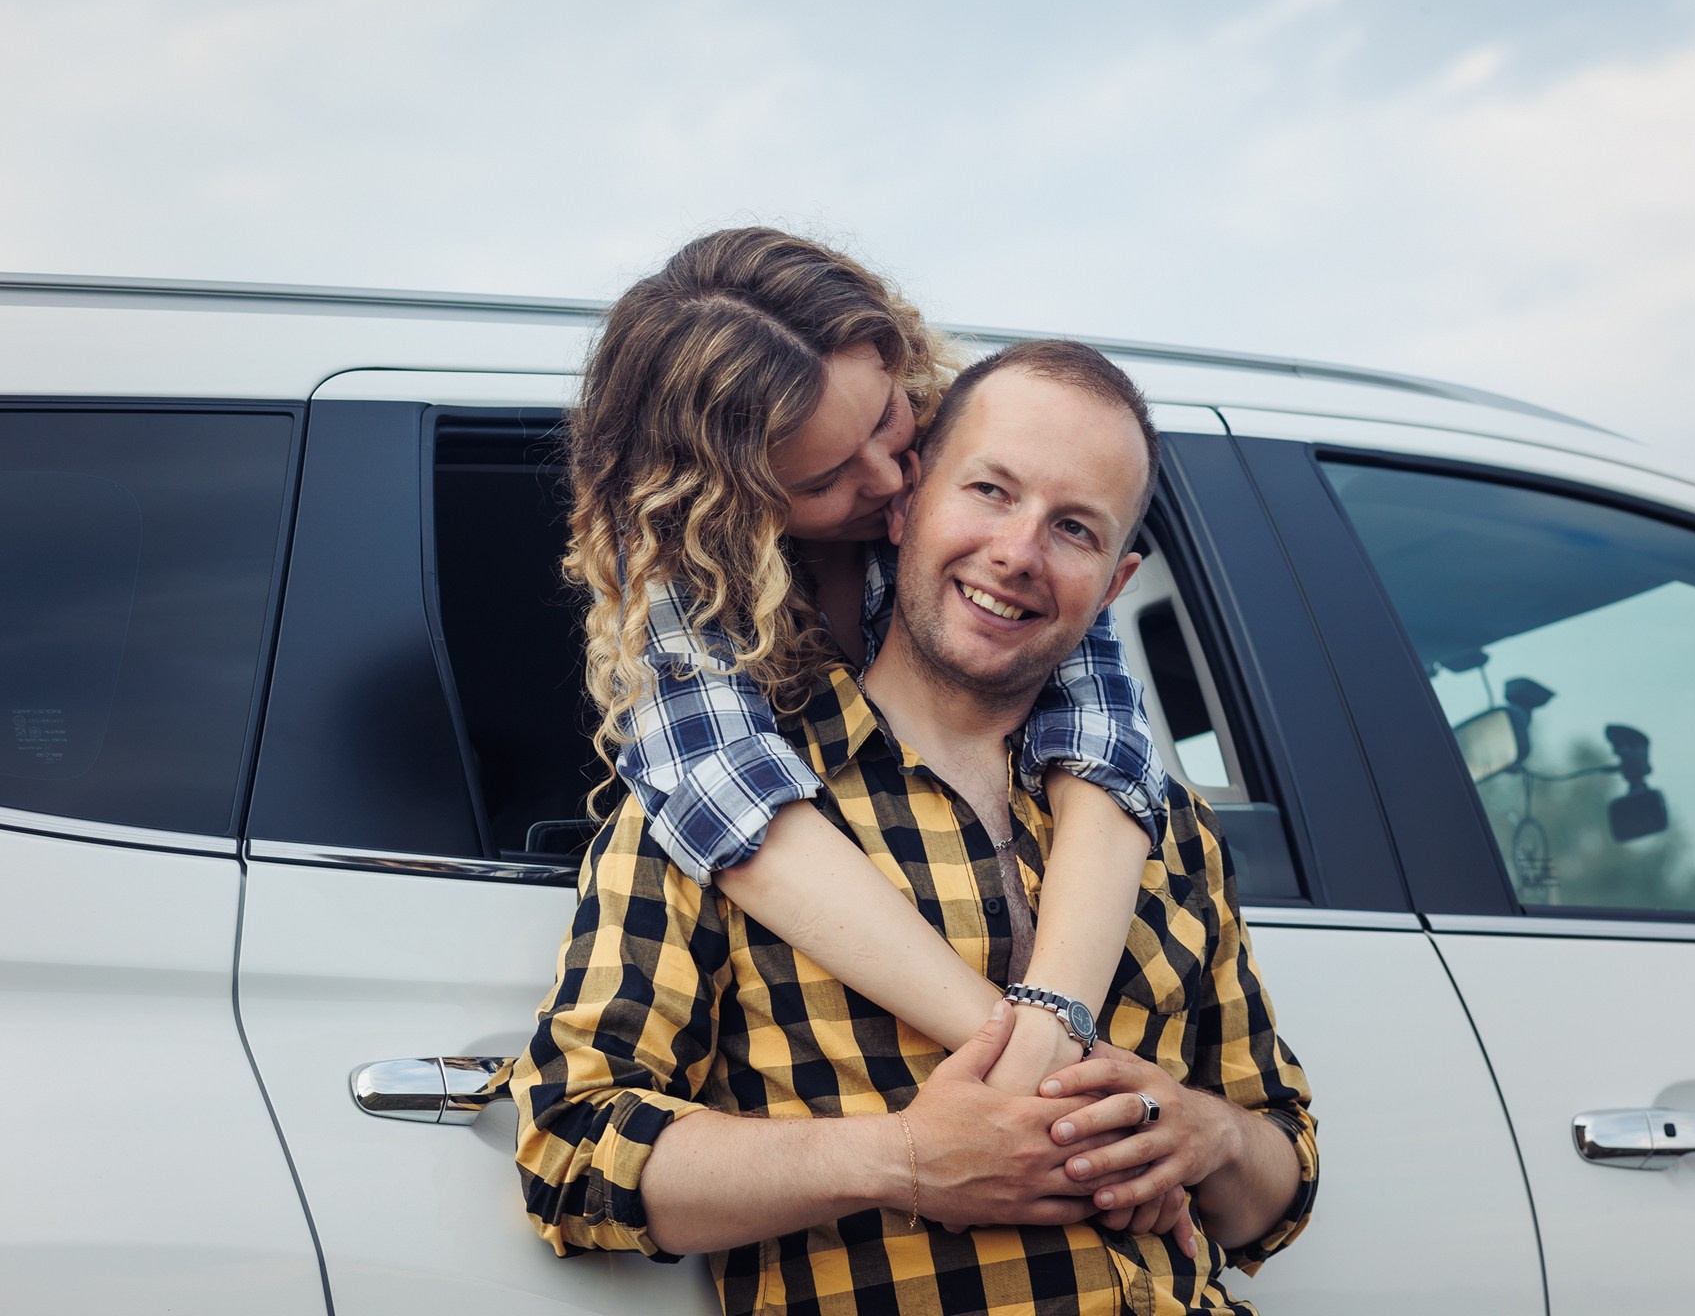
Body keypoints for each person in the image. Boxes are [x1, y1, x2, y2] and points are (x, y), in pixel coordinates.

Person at [514, 340, 1318, 1315]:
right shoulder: (709, 809)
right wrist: (896, 1161)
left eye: (1074, 528)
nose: (1018, 553)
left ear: (1115, 585)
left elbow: (1275, 1190)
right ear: (903, 506)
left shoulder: (1165, 824)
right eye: (989, 491)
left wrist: (1211, 1135)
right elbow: (571, 1154)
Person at [562, 228, 1168, 1096]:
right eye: (826, 479)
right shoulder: (681, 581)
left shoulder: (992, 501)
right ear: (728, 498)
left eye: (886, 417)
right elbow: (736, 810)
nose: (892, 479)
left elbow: (1103, 734)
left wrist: (1055, 1018)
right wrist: (1029, 1071)